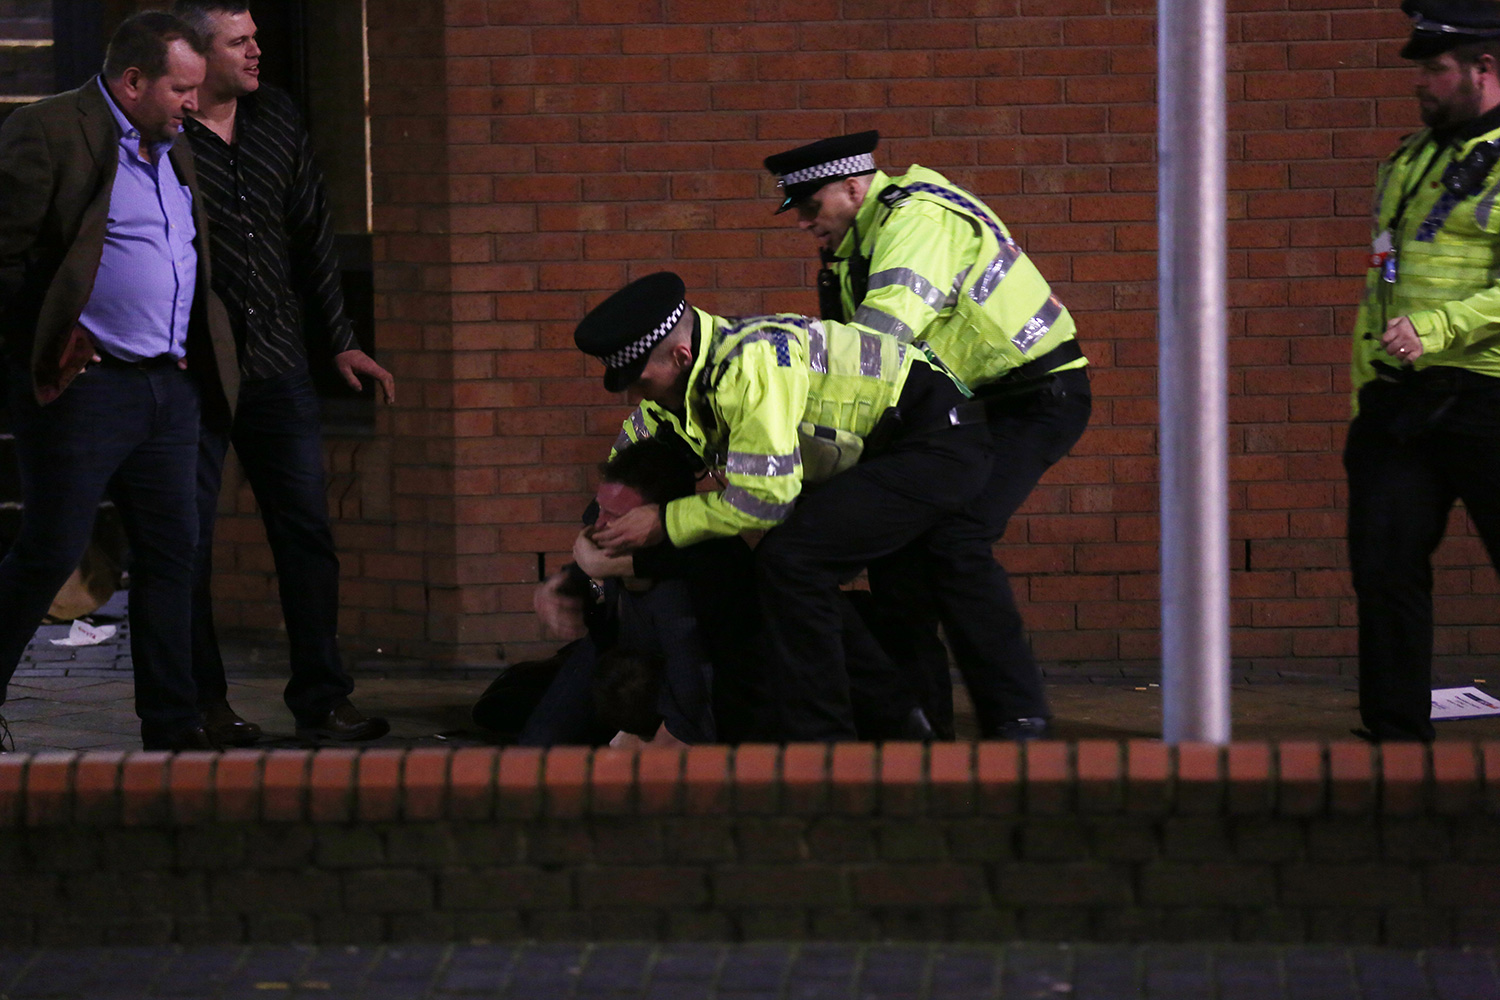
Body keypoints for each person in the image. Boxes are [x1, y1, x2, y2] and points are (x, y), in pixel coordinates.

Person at [762, 131, 1093, 739]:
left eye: (812, 206)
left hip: (1034, 397)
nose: (805, 222)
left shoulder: (916, 220)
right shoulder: (850, 252)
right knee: (898, 546)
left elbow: (878, 344)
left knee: (955, 540)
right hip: (962, 410)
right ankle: (917, 724)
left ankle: (1019, 717)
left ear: (853, 187)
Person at [576, 271, 999, 741]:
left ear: (681, 355)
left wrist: (664, 521)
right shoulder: (675, 388)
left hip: (936, 439)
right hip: (881, 454)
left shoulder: (749, 366)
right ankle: (910, 732)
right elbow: (625, 462)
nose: (634, 395)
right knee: (859, 588)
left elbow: (765, 499)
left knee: (791, 563)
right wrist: (590, 543)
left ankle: (833, 740)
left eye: (639, 380)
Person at [0, 12, 238, 751]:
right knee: (49, 550)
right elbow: (5, 255)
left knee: (173, 558)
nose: (193, 103)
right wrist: (48, 333)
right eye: (181, 88)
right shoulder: (50, 130)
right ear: (133, 81)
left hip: (168, 387)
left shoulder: (174, 144)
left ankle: (172, 724)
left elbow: (178, 248)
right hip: (87, 388)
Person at [171, 0, 394, 744]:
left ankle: (323, 699)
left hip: (276, 365)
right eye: (240, 42)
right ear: (199, 59)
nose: (256, 52)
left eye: (257, 37)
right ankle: (202, 705)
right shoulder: (164, 137)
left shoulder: (277, 118)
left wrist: (339, 340)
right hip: (191, 372)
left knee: (306, 535)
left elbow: (312, 230)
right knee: (189, 544)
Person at [1345, 0, 1500, 742]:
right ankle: (1395, 738)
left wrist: (1438, 329)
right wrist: (1365, 393)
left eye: (1436, 69)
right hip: (1400, 401)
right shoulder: (1409, 160)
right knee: (1385, 567)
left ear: (1485, 69)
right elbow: (1382, 284)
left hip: (1489, 395)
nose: (1421, 83)